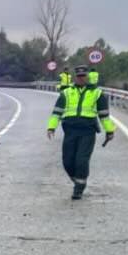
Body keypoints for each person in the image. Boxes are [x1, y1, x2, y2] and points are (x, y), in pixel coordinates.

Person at [47, 66, 115, 199]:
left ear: (88, 76)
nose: (81, 78)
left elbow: (104, 116)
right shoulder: (66, 93)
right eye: (79, 76)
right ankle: (77, 180)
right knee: (67, 161)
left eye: (84, 76)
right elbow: (56, 112)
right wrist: (51, 127)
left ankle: (79, 188)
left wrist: (109, 131)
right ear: (75, 77)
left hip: (87, 131)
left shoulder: (97, 93)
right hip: (70, 130)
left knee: (81, 160)